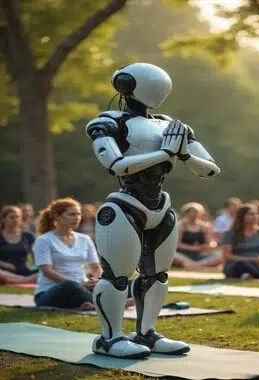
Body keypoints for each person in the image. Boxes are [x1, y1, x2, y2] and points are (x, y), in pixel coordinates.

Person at [86, 62, 220, 358]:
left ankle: (146, 333)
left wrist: (182, 153)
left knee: (157, 276)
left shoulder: (169, 125)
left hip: (161, 207)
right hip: (125, 204)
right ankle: (110, 338)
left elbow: (210, 169)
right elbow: (115, 165)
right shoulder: (110, 122)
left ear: (125, 85)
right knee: (116, 276)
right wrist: (168, 153)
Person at [33, 198, 102, 311]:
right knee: (70, 285)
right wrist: (79, 284)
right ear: (57, 217)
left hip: (82, 288)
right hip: (50, 292)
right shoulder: (44, 240)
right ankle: (105, 304)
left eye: (78, 214)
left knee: (119, 282)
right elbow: (47, 271)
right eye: (72, 214)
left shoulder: (85, 239)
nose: (77, 217)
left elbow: (95, 267)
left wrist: (97, 281)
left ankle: (91, 302)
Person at [175, 202, 222, 269]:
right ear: (186, 213)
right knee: (173, 255)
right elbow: (177, 244)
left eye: (197, 212)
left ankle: (194, 265)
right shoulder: (180, 226)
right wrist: (192, 248)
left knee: (220, 256)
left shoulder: (205, 226)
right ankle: (199, 265)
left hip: (200, 254)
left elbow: (210, 243)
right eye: (192, 212)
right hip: (183, 254)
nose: (195, 214)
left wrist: (209, 245)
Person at [0, 205, 37, 284]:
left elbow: (36, 256)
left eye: (18, 217)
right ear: (3, 219)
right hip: (3, 272)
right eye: (12, 217)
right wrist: (4, 264)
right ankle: (24, 280)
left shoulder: (28, 236)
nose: (15, 220)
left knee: (46, 271)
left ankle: (23, 279)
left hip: (24, 272)